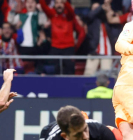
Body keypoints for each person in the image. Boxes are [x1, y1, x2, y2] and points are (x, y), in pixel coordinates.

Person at [112, 1, 133, 138]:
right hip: (128, 87)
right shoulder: (132, 25)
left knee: (128, 135)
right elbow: (119, 44)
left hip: (122, 87)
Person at [40, 0, 75, 74]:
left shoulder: (69, 16)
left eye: (61, 3)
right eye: (57, 3)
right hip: (55, 47)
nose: (59, 5)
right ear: (54, 5)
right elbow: (43, 6)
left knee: (70, 71)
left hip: (68, 47)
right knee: (51, 69)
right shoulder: (52, 14)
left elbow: (71, 11)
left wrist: (65, 2)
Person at [40, 106, 116, 140]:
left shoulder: (101, 132)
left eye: (85, 129)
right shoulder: (53, 138)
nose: (86, 137)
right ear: (65, 136)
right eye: (78, 134)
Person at [83, 1, 113, 76]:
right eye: (95, 8)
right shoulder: (90, 20)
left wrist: (107, 7)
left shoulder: (106, 20)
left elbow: (114, 16)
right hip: (94, 50)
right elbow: (90, 15)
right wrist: (101, 7)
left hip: (107, 51)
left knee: (106, 75)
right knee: (88, 74)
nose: (97, 10)